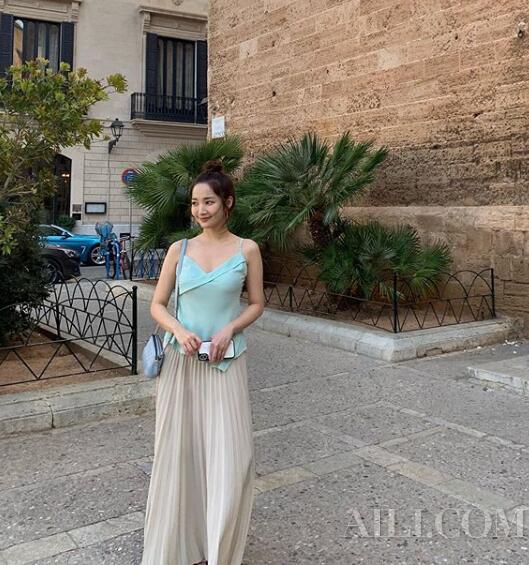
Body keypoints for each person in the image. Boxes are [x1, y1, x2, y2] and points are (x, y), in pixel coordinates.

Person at [141, 160, 265, 565]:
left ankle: (219, 551)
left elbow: (257, 303)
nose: (200, 210)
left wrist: (231, 328)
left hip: (226, 363)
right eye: (195, 203)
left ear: (228, 202)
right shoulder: (180, 250)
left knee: (233, 458)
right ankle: (182, 548)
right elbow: (158, 305)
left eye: (208, 201)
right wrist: (178, 331)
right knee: (180, 454)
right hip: (182, 364)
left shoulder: (247, 249)